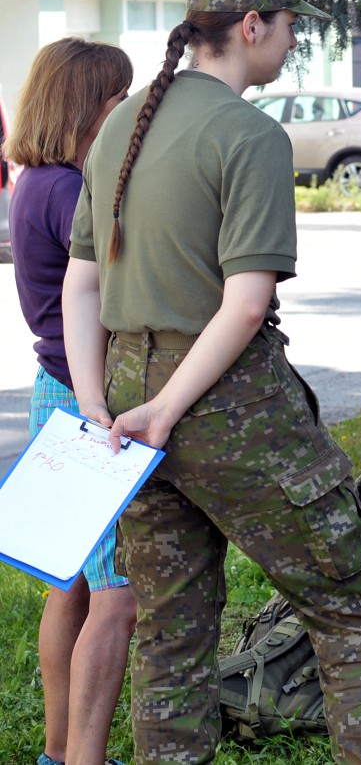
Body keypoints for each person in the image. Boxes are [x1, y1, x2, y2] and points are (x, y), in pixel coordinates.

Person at [61, 0, 361, 763]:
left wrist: (94, 402)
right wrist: (169, 407)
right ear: (251, 25)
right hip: (224, 403)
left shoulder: (123, 122)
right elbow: (245, 303)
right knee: (354, 610)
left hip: (124, 392)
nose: (293, 43)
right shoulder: (250, 133)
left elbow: (81, 284)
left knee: (170, 632)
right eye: (289, 26)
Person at [6, 38, 134, 765]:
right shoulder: (67, 192)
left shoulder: (34, 181)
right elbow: (122, 279)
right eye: (119, 100)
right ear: (86, 107)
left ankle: (59, 754)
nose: (129, 112)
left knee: (74, 587)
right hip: (89, 400)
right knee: (117, 595)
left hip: (55, 390)